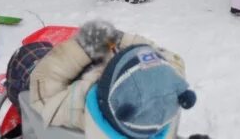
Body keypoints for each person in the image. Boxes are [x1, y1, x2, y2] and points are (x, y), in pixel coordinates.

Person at [29, 20, 196, 138]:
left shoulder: (76, 107)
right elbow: (174, 62)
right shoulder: (170, 100)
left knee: (28, 60)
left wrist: (86, 46)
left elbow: (43, 87)